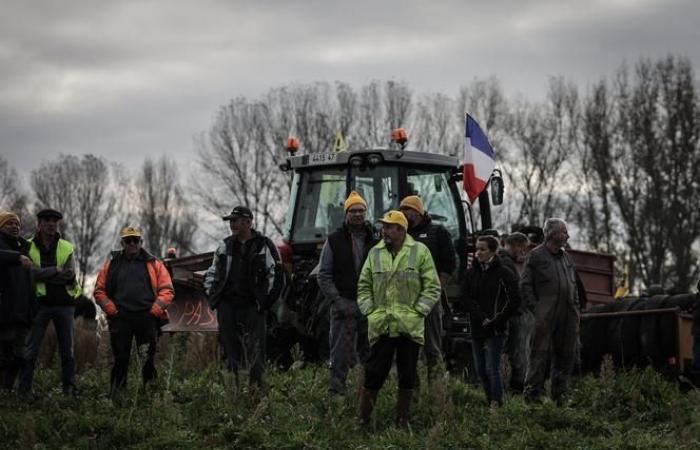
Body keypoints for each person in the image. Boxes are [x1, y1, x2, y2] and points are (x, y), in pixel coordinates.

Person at [357, 211, 441, 427]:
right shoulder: (375, 253)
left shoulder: (420, 252)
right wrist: (370, 312)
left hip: (408, 327)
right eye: (383, 226)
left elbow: (432, 288)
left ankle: (402, 422)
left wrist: (418, 312)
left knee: (407, 375)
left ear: (401, 229)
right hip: (382, 325)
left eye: (389, 226)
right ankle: (363, 421)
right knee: (374, 374)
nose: (384, 230)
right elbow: (363, 286)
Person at [203, 206, 285, 388]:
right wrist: (214, 299)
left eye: (235, 220)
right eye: (230, 221)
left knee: (256, 353)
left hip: (253, 307)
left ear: (248, 223)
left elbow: (277, 277)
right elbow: (212, 274)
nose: (232, 224)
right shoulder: (225, 246)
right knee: (231, 353)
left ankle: (256, 394)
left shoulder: (264, 246)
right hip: (228, 307)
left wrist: (264, 304)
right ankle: (233, 393)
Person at [94, 226, 174, 395]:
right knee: (120, 359)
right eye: (128, 240)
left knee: (148, 360)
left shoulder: (154, 263)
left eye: (135, 240)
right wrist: (112, 311)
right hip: (120, 318)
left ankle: (150, 395)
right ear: (122, 243)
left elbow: (167, 290)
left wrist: (154, 311)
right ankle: (117, 395)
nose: (132, 244)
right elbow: (99, 291)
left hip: (147, 317)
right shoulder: (112, 264)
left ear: (141, 242)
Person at [318, 191, 376, 396]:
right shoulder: (334, 240)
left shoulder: (376, 239)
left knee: (370, 353)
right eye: (353, 211)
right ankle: (337, 393)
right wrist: (337, 300)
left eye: (361, 210)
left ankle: (368, 393)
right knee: (340, 353)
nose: (358, 214)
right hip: (344, 304)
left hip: (370, 306)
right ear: (346, 214)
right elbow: (323, 275)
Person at [19, 208, 81, 396]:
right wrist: (55, 270)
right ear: (39, 224)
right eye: (47, 221)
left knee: (67, 351)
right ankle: (24, 392)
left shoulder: (67, 247)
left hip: (65, 305)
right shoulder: (27, 246)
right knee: (31, 350)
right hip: (39, 304)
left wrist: (43, 274)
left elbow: (70, 276)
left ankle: (68, 392)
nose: (51, 224)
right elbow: (29, 274)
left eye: (55, 221)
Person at [522, 218, 580, 404]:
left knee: (565, 355)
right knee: (538, 355)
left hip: (568, 316)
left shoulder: (567, 257)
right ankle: (532, 397)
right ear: (553, 234)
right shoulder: (536, 256)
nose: (567, 235)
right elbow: (525, 285)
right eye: (564, 232)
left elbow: (575, 286)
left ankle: (560, 396)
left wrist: (576, 306)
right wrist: (536, 309)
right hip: (544, 316)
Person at [399, 195, 456, 377]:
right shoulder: (401, 234)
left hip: (429, 299)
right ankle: (412, 393)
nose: (403, 213)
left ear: (417, 211)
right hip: (406, 299)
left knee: (432, 348)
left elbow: (449, 264)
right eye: (401, 210)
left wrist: (436, 288)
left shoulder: (438, 232)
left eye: (406, 209)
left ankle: (436, 392)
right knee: (408, 349)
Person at [463, 235, 521, 406]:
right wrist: (480, 317)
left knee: (492, 369)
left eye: (482, 249)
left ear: (494, 252)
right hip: (477, 326)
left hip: (496, 329)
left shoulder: (504, 273)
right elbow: (465, 297)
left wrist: (497, 320)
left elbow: (515, 300)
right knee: (481, 370)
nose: (478, 253)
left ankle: (497, 404)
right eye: (477, 249)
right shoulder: (471, 273)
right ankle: (490, 401)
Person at [0, 211, 36, 391]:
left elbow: (30, 284)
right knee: (4, 354)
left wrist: (33, 310)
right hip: (4, 312)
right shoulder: (8, 249)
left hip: (22, 314)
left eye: (17, 224)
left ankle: (7, 391)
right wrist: (16, 257)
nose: (15, 227)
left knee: (19, 356)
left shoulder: (24, 248)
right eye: (9, 223)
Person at [497, 231, 533, 394]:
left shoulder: (503, 260)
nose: (524, 253)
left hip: (507, 312)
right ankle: (515, 386)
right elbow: (514, 290)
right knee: (516, 350)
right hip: (513, 314)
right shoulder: (505, 263)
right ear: (517, 246)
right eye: (523, 249)